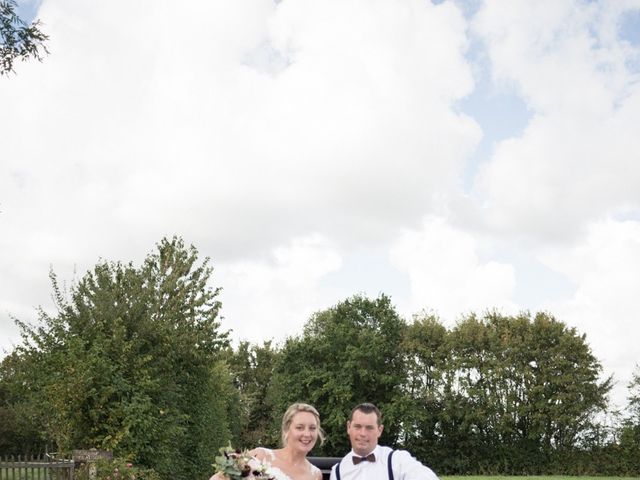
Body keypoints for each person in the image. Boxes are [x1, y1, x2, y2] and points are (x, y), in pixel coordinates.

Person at [210, 402, 324, 480]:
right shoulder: (260, 456)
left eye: (312, 428)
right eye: (299, 427)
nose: (307, 434)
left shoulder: (315, 474)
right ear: (286, 430)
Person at [330, 403, 439, 480]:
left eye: (369, 428)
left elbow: (423, 476)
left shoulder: (397, 460)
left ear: (379, 430)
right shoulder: (338, 471)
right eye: (357, 426)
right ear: (349, 427)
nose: (363, 433)